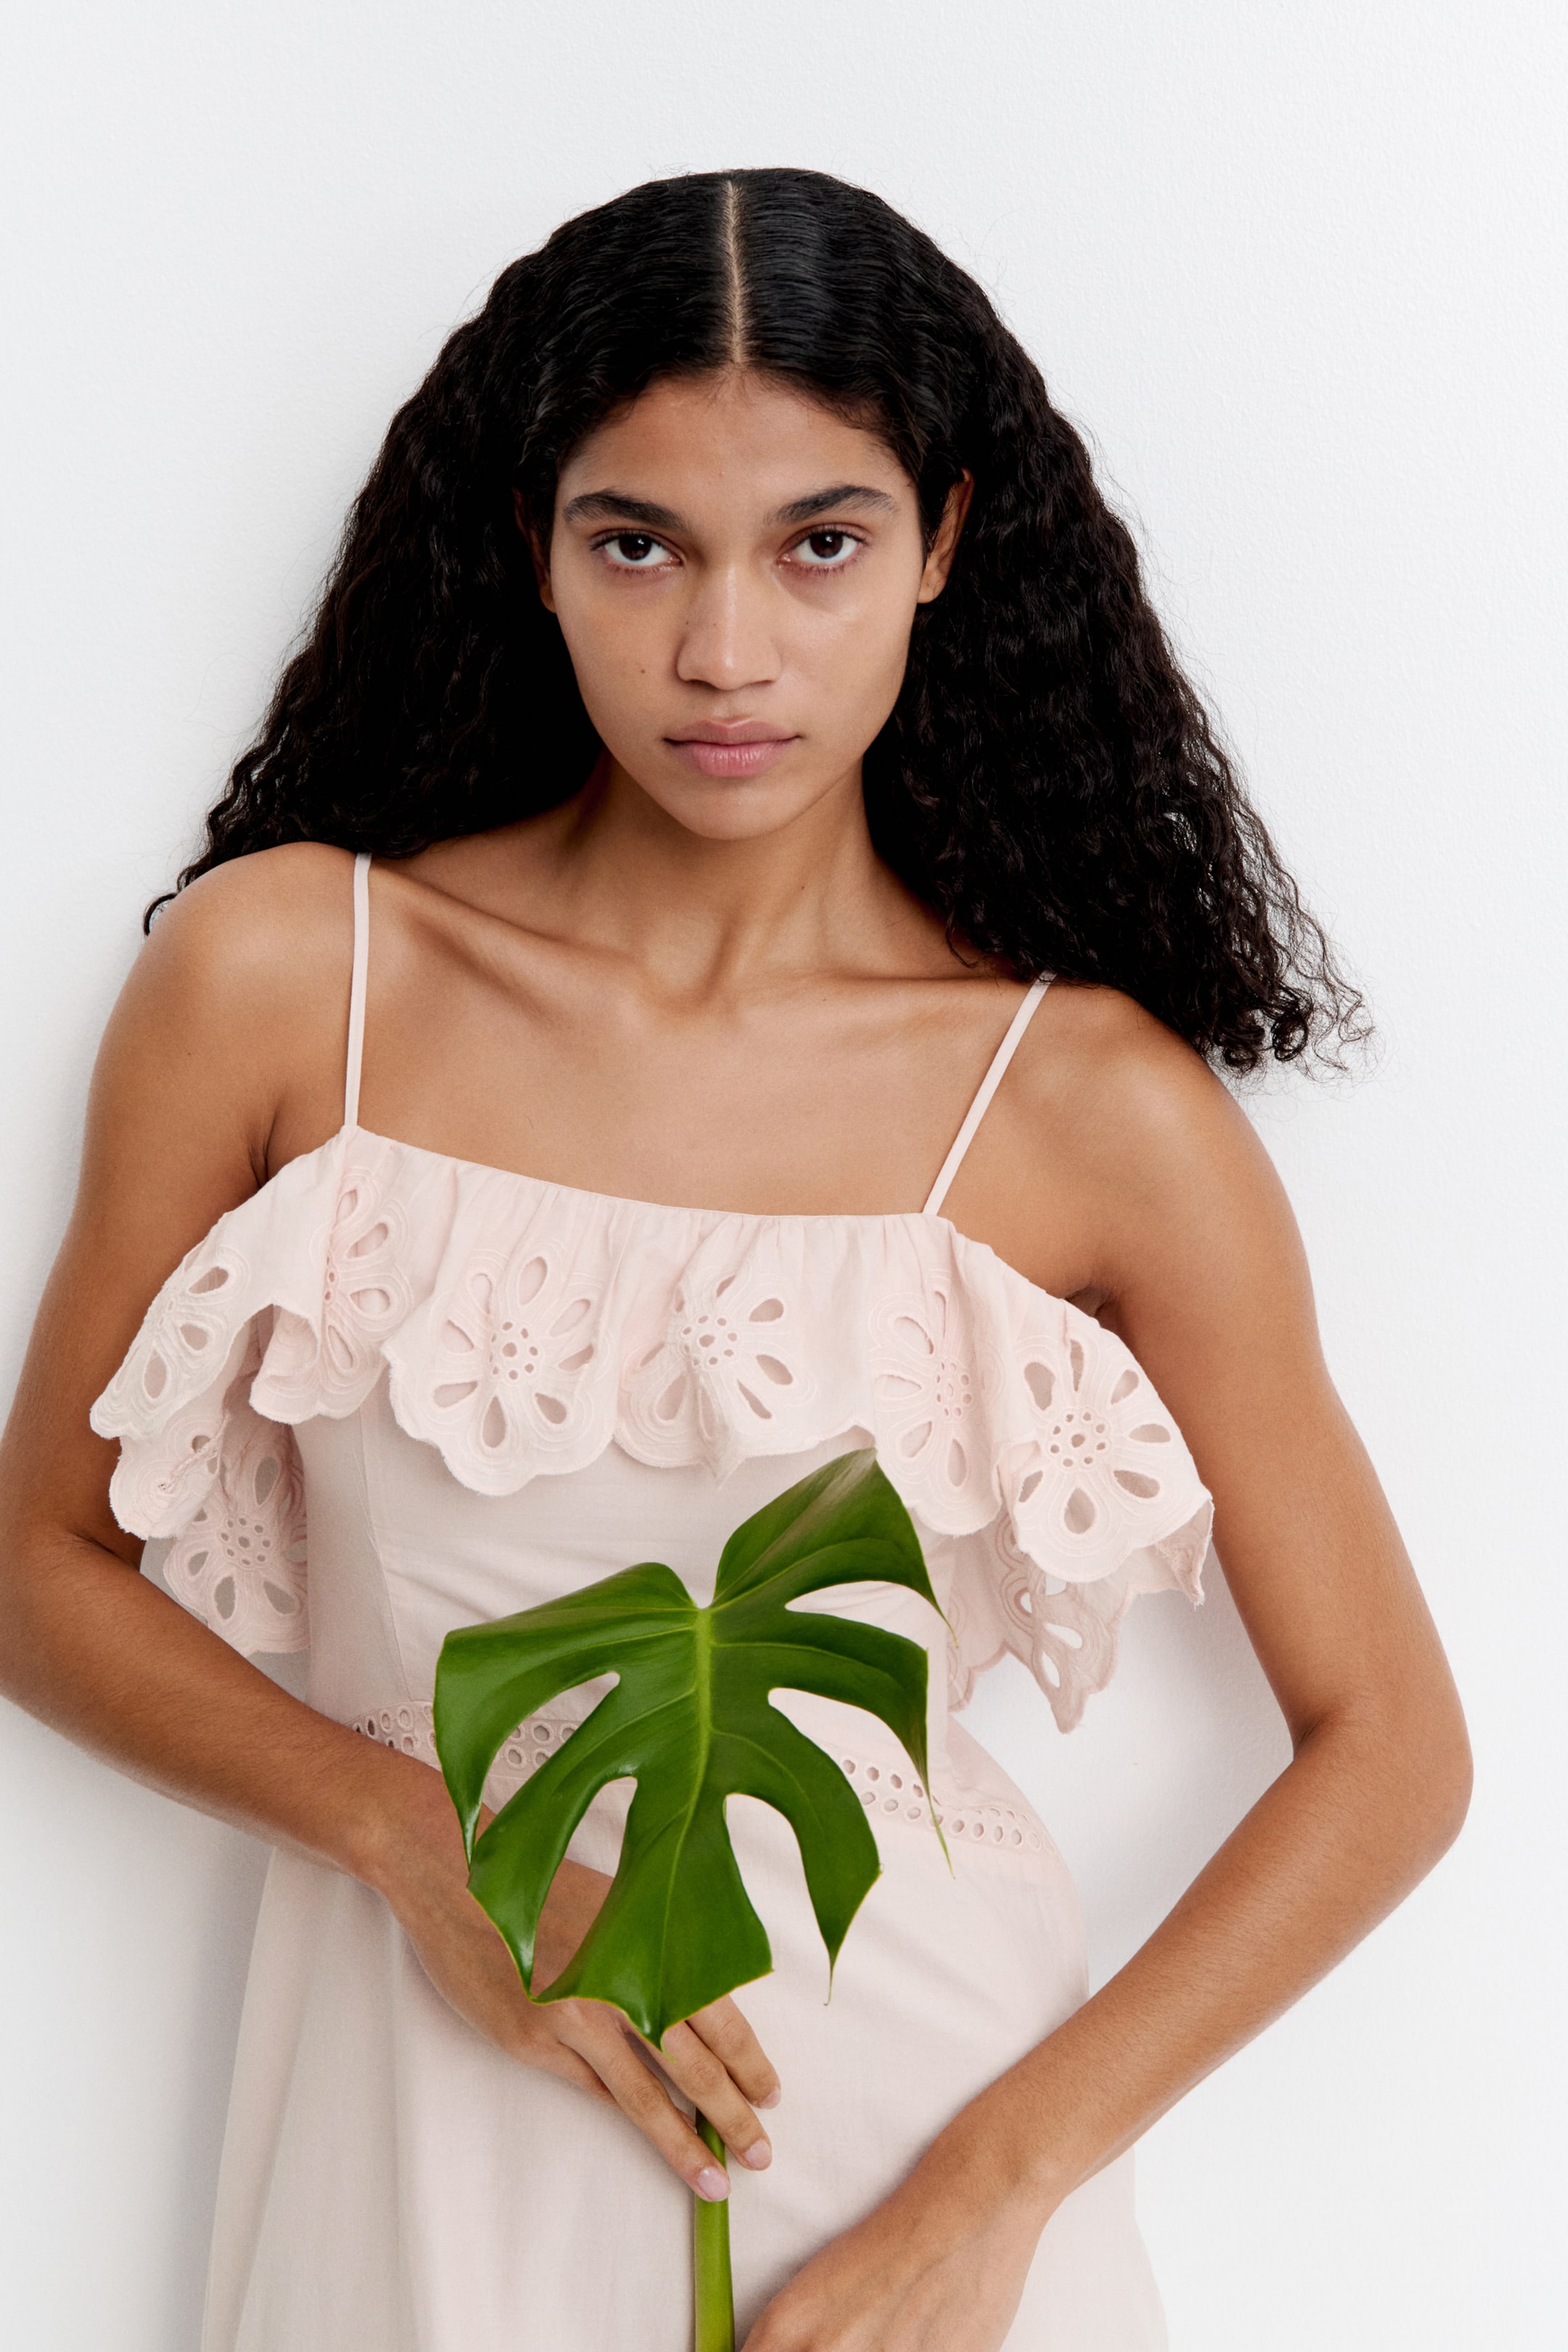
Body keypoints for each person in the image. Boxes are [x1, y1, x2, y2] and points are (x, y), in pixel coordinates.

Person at [0, 168, 1470, 2351]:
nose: (725, 651)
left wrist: (993, 2195)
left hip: (904, 2177)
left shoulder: (1090, 1108)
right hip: (423, 2115)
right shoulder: (295, 976)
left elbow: (1392, 1747)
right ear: (533, 545)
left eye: (819, 543)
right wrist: (410, 1843)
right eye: (639, 544)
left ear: (944, 541)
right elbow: (39, 1567)